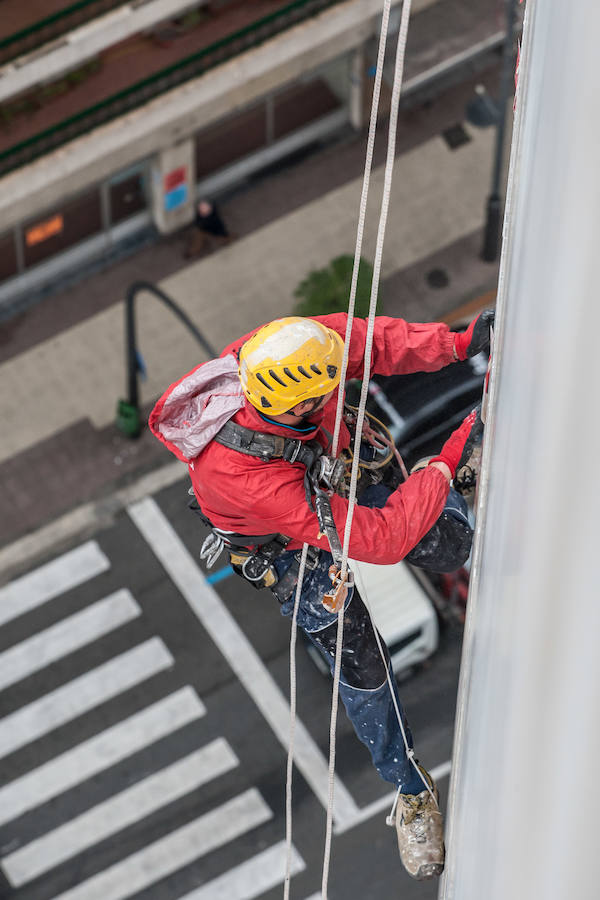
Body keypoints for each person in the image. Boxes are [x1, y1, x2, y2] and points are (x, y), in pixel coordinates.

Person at [150, 311, 493, 880]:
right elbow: (381, 540)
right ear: (296, 406)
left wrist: (459, 343)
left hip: (326, 466)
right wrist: (454, 451)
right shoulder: (241, 473)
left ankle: (440, 490)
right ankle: (409, 790)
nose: (339, 388)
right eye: (327, 391)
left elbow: (369, 342)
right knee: (357, 659)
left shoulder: (278, 355)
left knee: (448, 547)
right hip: (282, 543)